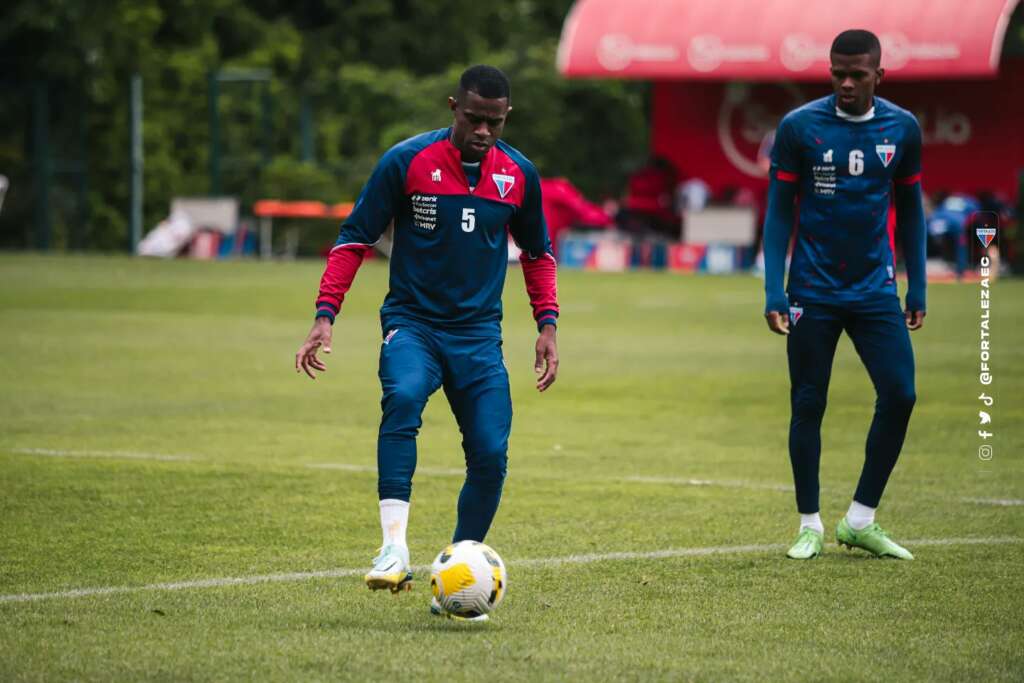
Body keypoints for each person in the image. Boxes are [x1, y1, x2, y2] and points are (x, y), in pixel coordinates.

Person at [295, 65, 560, 617]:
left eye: (495, 122)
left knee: (490, 452)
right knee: (405, 397)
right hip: (413, 324)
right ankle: (393, 548)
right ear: (452, 107)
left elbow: (537, 254)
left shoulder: (519, 175)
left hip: (479, 337)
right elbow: (353, 238)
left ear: (506, 117)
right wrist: (326, 315)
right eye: (473, 118)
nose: (484, 131)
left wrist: (547, 325)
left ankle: (459, 566)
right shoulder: (407, 161)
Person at [762, 30, 926, 560]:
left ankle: (860, 519)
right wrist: (774, 289)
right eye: (838, 73)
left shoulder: (902, 128)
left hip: (875, 288)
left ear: (880, 75)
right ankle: (808, 524)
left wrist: (917, 282)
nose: (846, 83)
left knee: (900, 394)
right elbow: (779, 211)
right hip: (813, 288)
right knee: (808, 402)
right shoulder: (800, 127)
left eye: (858, 74)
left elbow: (914, 211)